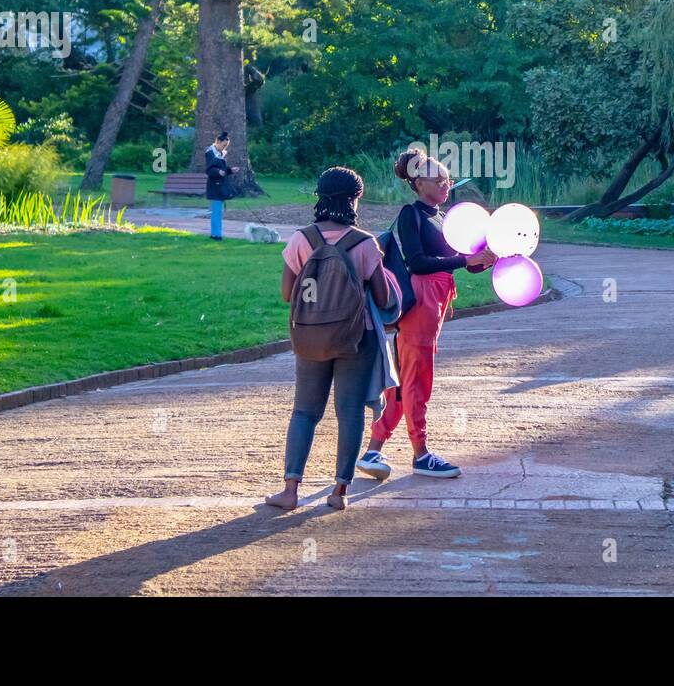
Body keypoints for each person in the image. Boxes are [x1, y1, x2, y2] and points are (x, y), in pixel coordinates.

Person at [356, 150, 495, 480]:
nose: (447, 185)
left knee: (407, 380)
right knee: (417, 380)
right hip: (420, 303)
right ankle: (420, 454)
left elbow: (457, 261)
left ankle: (373, 450)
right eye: (439, 180)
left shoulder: (443, 217)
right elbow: (417, 262)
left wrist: (484, 258)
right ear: (419, 183)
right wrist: (464, 261)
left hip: (435, 304)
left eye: (449, 179)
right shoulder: (411, 215)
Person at [266, 167, 392, 512]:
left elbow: (286, 293)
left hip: (310, 338)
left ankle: (290, 491)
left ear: (319, 197)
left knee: (305, 411)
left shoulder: (301, 240)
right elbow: (382, 299)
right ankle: (339, 492)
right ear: (354, 200)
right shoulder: (365, 243)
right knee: (349, 412)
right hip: (355, 338)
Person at [204, 131, 239, 241]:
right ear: (218, 142)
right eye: (224, 145)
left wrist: (230, 170)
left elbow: (222, 170)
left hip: (221, 186)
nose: (224, 147)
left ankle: (216, 234)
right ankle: (216, 235)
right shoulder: (211, 153)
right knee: (216, 211)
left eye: (226, 146)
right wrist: (218, 172)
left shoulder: (220, 154)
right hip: (215, 187)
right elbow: (209, 170)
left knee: (218, 211)